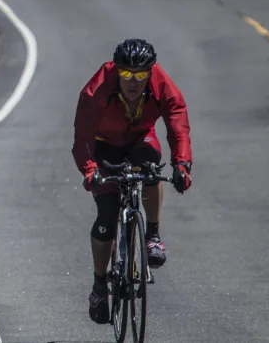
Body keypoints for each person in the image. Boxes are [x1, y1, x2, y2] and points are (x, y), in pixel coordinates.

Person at [71, 38, 193, 324]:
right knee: (106, 215)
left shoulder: (159, 81)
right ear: (117, 70)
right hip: (105, 144)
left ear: (151, 72)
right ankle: (100, 285)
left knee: (151, 169)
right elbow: (83, 135)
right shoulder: (98, 87)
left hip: (140, 138)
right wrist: (90, 170)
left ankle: (152, 235)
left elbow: (177, 119)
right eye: (127, 74)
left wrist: (182, 164)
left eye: (141, 75)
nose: (134, 82)